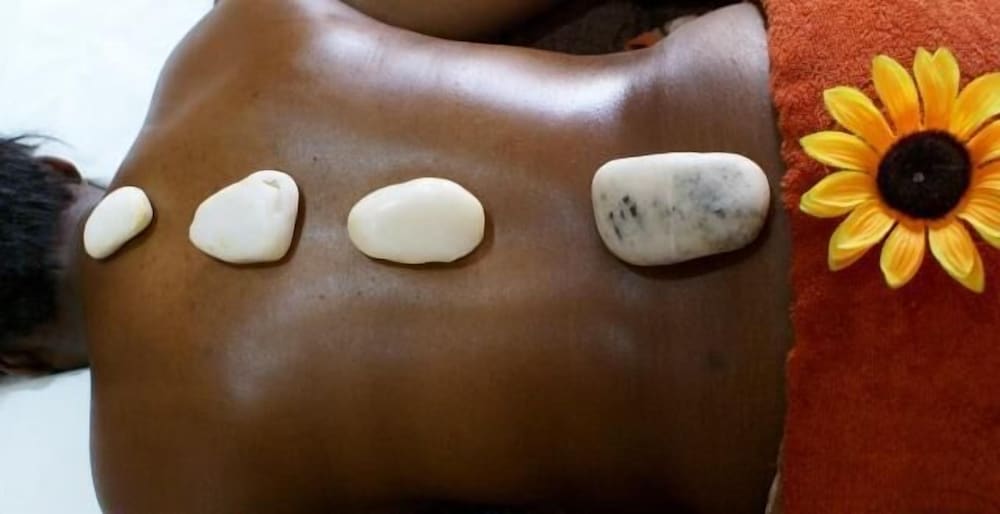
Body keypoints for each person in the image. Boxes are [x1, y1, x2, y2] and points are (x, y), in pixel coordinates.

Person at [9, 0, 792, 512]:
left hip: (808, 428)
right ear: (55, 169)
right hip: (821, 83)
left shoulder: (155, 487)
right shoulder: (244, 25)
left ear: (17, 359)